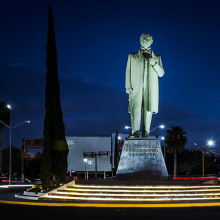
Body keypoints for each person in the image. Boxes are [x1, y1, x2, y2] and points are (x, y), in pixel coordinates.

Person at [125, 33, 165, 138]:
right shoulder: (132, 56)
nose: (145, 40)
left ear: (151, 41)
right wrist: (127, 86)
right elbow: (128, 71)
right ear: (140, 40)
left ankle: (146, 132)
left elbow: (161, 73)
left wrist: (154, 63)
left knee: (148, 108)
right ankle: (135, 132)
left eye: (148, 38)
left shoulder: (157, 57)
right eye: (143, 38)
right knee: (136, 108)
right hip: (136, 87)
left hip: (150, 88)